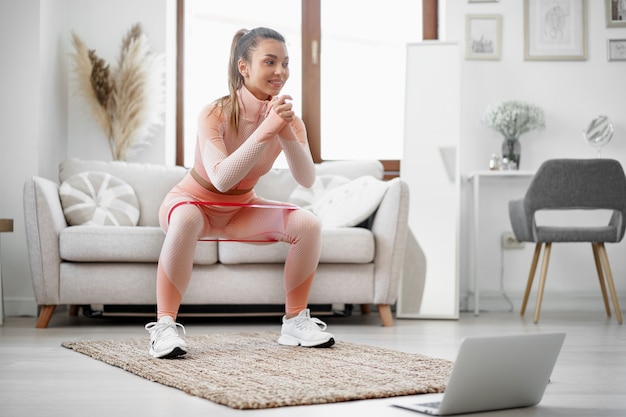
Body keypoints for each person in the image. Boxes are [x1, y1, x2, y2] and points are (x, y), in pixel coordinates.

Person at [144, 27, 335, 358]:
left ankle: (294, 321)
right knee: (188, 217)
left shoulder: (286, 119)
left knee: (308, 224)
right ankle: (164, 327)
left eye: (286, 63)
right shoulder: (214, 112)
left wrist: (285, 131)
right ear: (243, 67)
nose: (280, 72)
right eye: (270, 62)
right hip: (191, 203)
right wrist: (267, 129)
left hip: (240, 210)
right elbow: (220, 178)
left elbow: (305, 178)